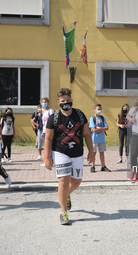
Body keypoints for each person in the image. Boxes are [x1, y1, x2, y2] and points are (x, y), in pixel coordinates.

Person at [44, 88, 94, 225]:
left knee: (76, 182)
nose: (65, 103)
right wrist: (47, 158)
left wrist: (91, 152)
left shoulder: (80, 114)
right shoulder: (54, 118)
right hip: (60, 152)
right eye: (63, 101)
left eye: (68, 100)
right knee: (64, 181)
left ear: (71, 100)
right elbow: (48, 139)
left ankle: (65, 195)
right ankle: (63, 213)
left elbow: (87, 134)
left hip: (77, 153)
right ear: (58, 102)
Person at [89, 104, 110, 172]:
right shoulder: (92, 118)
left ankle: (103, 166)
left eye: (100, 109)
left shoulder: (103, 118)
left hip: (102, 138)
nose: (99, 111)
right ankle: (93, 166)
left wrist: (100, 128)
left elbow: (107, 128)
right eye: (98, 109)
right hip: (94, 138)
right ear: (94, 110)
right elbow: (94, 129)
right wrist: (101, 129)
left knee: (102, 153)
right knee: (94, 153)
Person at [40, 97, 54, 167]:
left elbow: (53, 122)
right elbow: (43, 123)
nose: (44, 103)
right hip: (45, 131)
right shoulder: (43, 111)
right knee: (46, 147)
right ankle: (47, 160)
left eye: (45, 102)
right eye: (43, 102)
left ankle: (50, 160)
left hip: (50, 131)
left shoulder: (50, 111)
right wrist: (42, 132)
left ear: (48, 102)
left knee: (49, 146)